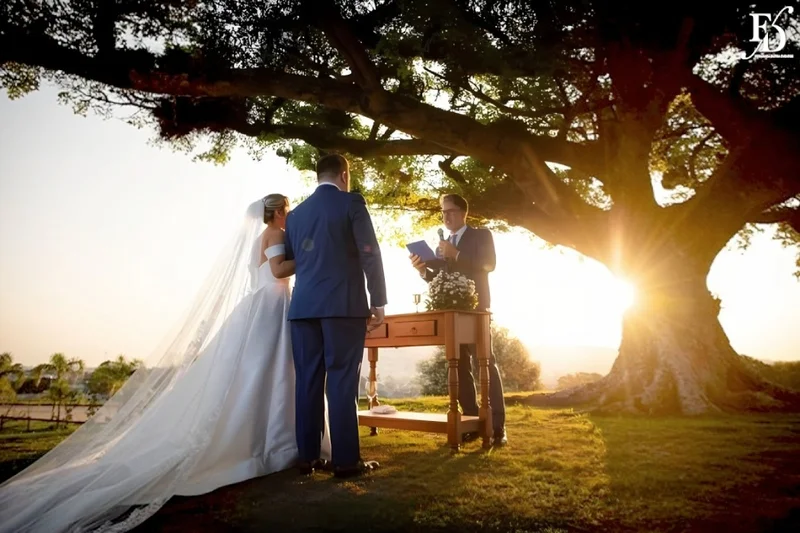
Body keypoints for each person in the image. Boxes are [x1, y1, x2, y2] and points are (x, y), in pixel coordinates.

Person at [0, 194, 331, 533]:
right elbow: (277, 271)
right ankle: (270, 445)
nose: (290, 215)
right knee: (268, 373)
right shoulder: (275, 235)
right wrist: (310, 256)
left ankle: (272, 441)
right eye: (288, 210)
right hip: (272, 309)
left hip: (265, 306)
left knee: (261, 375)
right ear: (278, 212)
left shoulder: (261, 239)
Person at [281, 153, 388, 478]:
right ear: (344, 175)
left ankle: (308, 457)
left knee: (308, 381)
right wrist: (379, 300)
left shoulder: (296, 215)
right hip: (342, 305)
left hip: (302, 309)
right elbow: (370, 252)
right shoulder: (351, 203)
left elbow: (291, 260)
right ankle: (345, 461)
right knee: (341, 380)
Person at [409, 193, 507, 446]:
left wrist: (457, 253)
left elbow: (489, 264)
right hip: (450, 314)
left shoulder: (481, 235)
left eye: (450, 211)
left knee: (485, 364)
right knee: (459, 367)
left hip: (476, 310)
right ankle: (472, 422)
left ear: (463, 212)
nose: (446, 216)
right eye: (443, 212)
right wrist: (423, 270)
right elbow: (440, 278)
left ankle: (497, 427)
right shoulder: (443, 243)